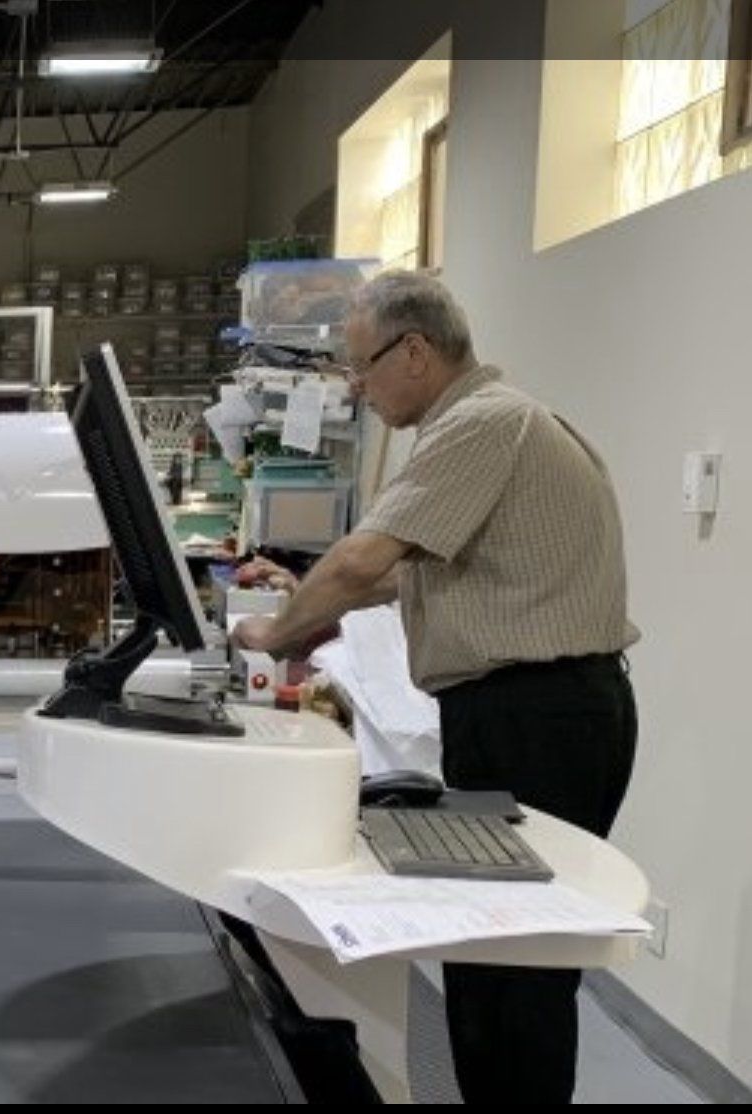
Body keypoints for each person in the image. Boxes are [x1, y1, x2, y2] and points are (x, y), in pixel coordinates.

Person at [230, 271, 638, 1104]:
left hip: (538, 716)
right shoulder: (498, 420)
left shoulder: (483, 424)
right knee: (492, 965)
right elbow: (396, 577)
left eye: (361, 367)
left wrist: (278, 634)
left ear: (413, 352)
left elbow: (365, 561)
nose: (357, 387)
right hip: (540, 710)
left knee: (515, 968)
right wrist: (307, 589)